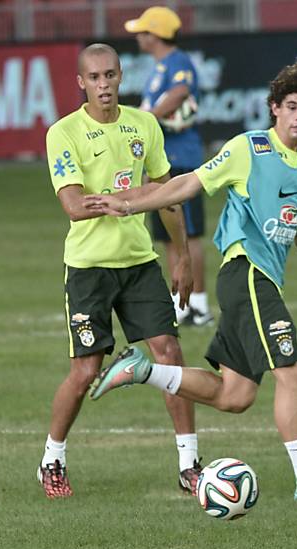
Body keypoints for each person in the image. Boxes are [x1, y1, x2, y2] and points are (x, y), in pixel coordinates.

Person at [85, 60, 297, 503]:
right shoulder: (249, 148)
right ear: (275, 108)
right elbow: (188, 183)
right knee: (291, 370)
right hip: (247, 273)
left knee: (235, 396)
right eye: (292, 107)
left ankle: (143, 371)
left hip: (262, 281)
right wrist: (133, 205)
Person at [40, 43, 201, 499]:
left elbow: (167, 192)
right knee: (86, 369)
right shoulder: (64, 132)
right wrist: (126, 199)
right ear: (81, 83)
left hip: (139, 262)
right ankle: (53, 457)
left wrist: (182, 256)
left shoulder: (144, 124)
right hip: (90, 268)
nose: (104, 85)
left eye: (110, 75)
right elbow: (72, 206)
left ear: (121, 77)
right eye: (94, 78)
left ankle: (189, 464)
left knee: (169, 352)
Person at [126, 6, 212, 325]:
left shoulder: (178, 63)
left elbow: (180, 92)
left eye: (143, 31)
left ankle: (200, 304)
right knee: (169, 236)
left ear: (156, 34)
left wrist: (148, 119)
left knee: (188, 234)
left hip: (181, 160)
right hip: (162, 161)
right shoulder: (159, 66)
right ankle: (182, 303)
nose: (138, 36)